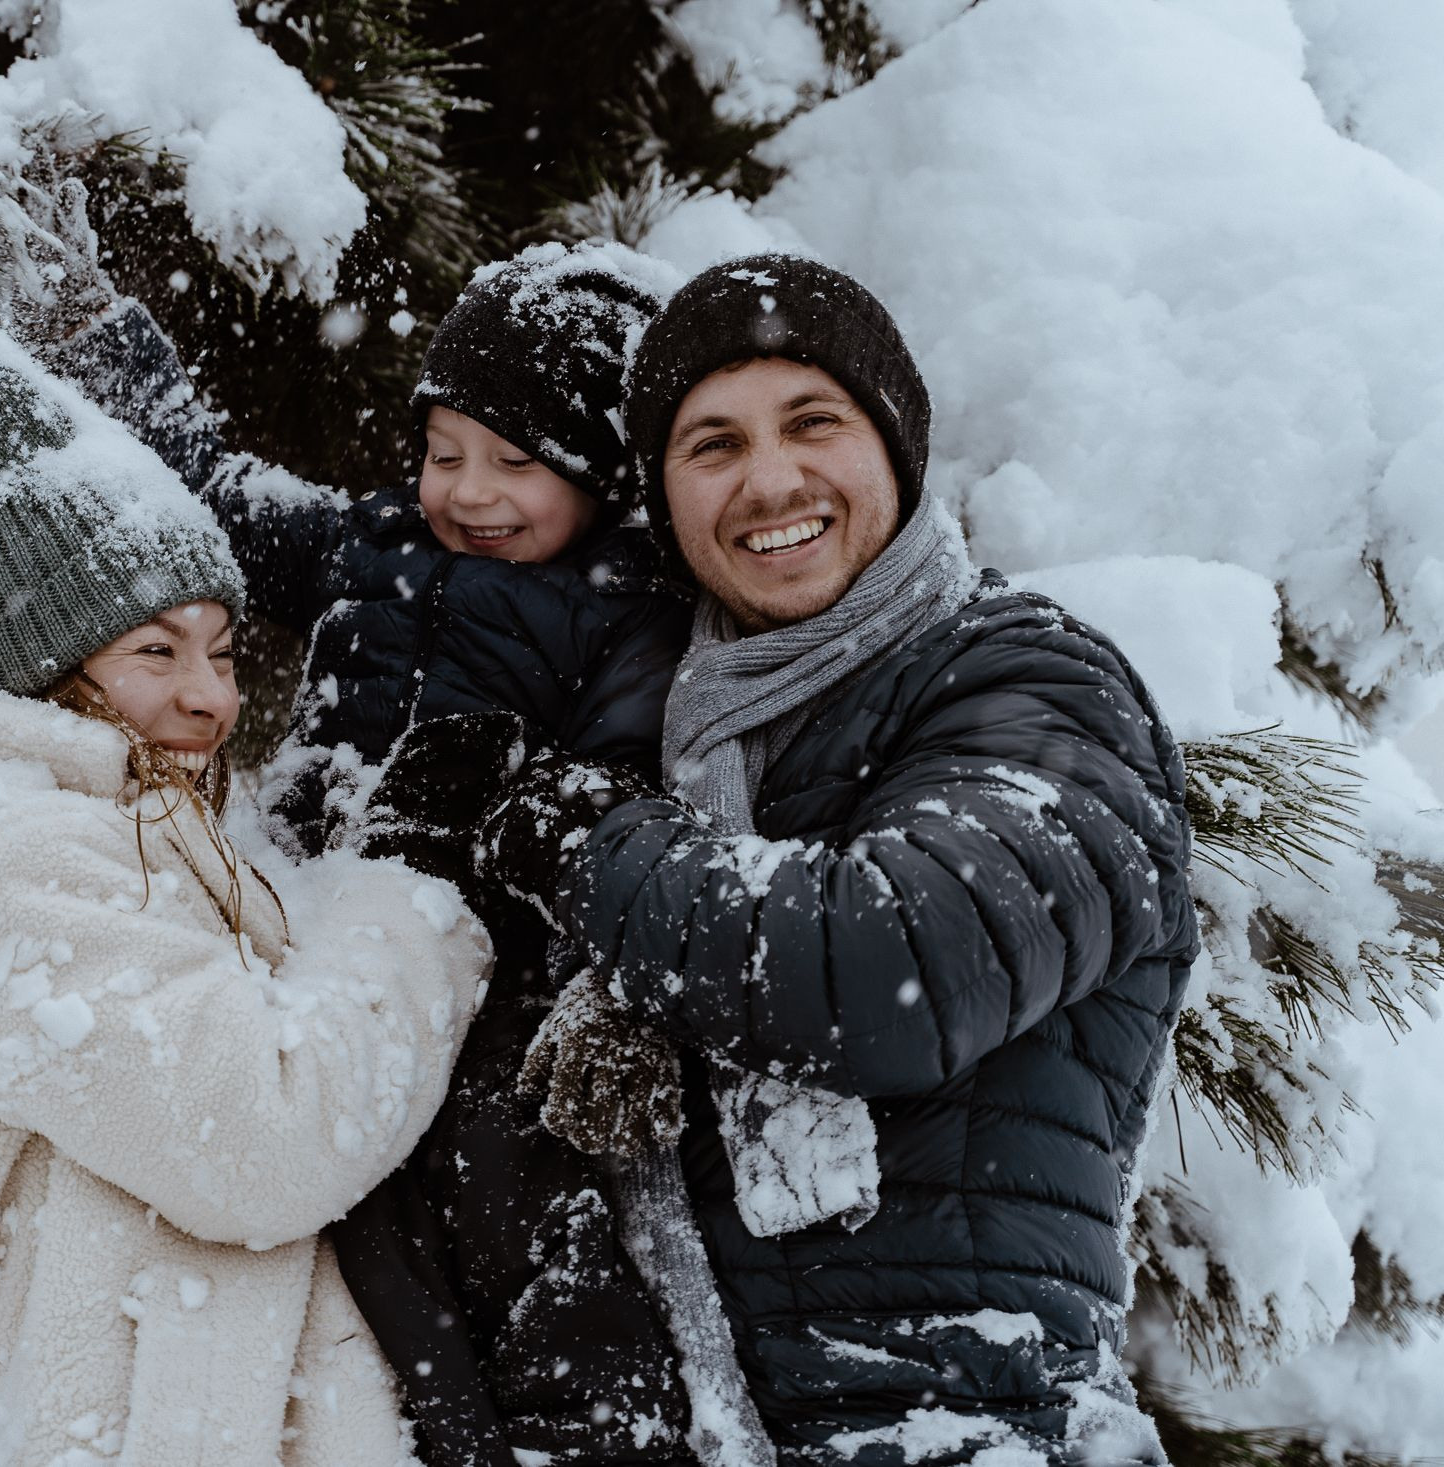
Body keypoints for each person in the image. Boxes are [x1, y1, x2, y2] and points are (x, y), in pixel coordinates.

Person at [390, 255, 1200, 1464]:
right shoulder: (672, 727)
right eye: (711, 445)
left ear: (896, 447)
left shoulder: (1032, 687)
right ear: (661, 499)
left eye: (812, 421)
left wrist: (575, 836)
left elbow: (877, 971)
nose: (770, 479)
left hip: (955, 1424)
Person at [62, 244, 708, 1464]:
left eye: (517, 461)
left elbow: (624, 797)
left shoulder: (630, 612)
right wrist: (113, 348)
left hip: (487, 984)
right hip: (312, 938)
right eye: (443, 450)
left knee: (495, 1220)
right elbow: (212, 492)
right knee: (342, 1235)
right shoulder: (371, 544)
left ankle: (583, 1437)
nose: (469, 491)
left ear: (606, 469)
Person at [0, 328, 492, 1467]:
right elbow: (272, 1138)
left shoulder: (141, 826)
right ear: (34, 664)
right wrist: (419, 907)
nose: (209, 699)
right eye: (153, 650)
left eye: (225, 653)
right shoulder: (4, 856)